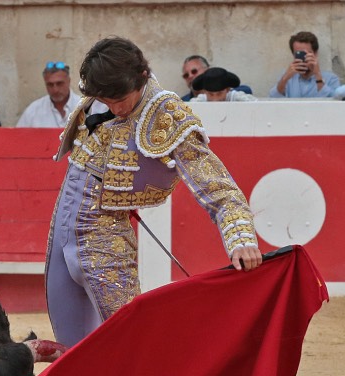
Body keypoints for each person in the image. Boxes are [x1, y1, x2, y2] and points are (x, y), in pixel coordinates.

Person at [46, 36, 262, 347]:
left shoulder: (167, 114)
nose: (115, 108)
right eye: (106, 101)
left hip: (104, 238)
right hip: (61, 229)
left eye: (121, 99)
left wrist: (241, 239)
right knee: (71, 342)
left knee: (126, 337)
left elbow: (218, 188)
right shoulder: (102, 88)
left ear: (142, 77)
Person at [269, 31, 339, 98]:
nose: (303, 58)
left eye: (307, 54)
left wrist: (318, 75)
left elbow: (335, 102)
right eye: (299, 54)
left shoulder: (331, 79)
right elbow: (273, 99)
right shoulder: (287, 78)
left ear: (315, 53)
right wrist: (285, 78)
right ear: (293, 55)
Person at [16, 61, 82, 128]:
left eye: (59, 83)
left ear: (69, 81)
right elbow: (18, 136)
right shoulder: (33, 111)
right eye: (50, 85)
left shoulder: (84, 107)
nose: (55, 90)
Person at [190, 67, 257, 102]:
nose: (215, 99)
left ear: (227, 90)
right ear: (204, 91)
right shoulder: (199, 101)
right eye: (211, 94)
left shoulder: (237, 98)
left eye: (219, 93)